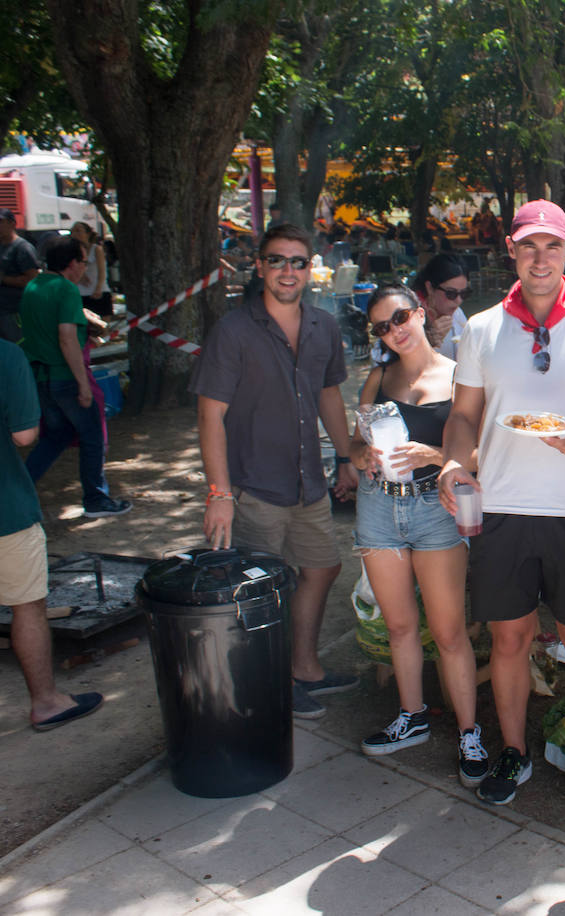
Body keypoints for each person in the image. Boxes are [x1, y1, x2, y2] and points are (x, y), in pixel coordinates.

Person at [438, 200, 565, 821]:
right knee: (509, 641)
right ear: (512, 250)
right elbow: (463, 417)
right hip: (501, 509)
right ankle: (512, 750)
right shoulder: (479, 329)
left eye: (552, 246)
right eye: (529, 246)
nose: (541, 258)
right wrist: (454, 463)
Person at [191, 223, 360, 720]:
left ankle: (304, 669)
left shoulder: (322, 326)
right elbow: (209, 414)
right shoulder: (234, 331)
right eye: (278, 260)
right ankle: (266, 683)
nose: (289, 270)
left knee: (323, 568)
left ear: (312, 269)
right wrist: (219, 492)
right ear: (260, 266)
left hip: (308, 479)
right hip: (254, 484)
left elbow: (329, 393)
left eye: (298, 261)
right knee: (261, 588)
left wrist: (346, 458)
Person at [348, 285, 487, 782]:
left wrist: (435, 457)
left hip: (435, 507)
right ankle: (413, 717)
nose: (394, 330)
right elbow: (354, 438)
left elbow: (480, 451)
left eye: (400, 317)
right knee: (400, 626)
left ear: (421, 313)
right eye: (382, 326)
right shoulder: (378, 377)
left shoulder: (458, 377)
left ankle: (470, 732)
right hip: (379, 506)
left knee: (449, 632)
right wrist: (359, 454)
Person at [0, 260, 104, 744]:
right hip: (2, 505)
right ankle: (45, 703)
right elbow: (27, 435)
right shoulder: (4, 356)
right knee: (27, 607)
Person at [19, 236, 131, 518]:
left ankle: (19, 487)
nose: (84, 266)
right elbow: (67, 338)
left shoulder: (33, 286)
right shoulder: (66, 290)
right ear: (71, 264)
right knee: (92, 434)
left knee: (57, 435)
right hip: (64, 376)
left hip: (41, 375)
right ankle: (96, 499)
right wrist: (83, 384)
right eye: (83, 261)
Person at [0, 209, 39, 343]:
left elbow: (32, 280)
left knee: (18, 349)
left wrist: (1, 279)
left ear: (12, 224)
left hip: (17, 312)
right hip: (3, 311)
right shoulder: (1, 246)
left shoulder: (22, 248)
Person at [409, 253, 471, 359]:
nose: (458, 300)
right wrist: (429, 341)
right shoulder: (408, 318)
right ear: (430, 288)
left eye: (464, 293)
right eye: (451, 293)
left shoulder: (457, 313)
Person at [70, 222, 112, 317]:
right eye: (72, 231)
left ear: (88, 234)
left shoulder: (97, 249)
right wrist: (80, 276)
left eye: (78, 231)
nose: (75, 234)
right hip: (80, 293)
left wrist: (98, 288)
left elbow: (102, 271)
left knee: (102, 328)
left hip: (98, 291)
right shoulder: (70, 251)